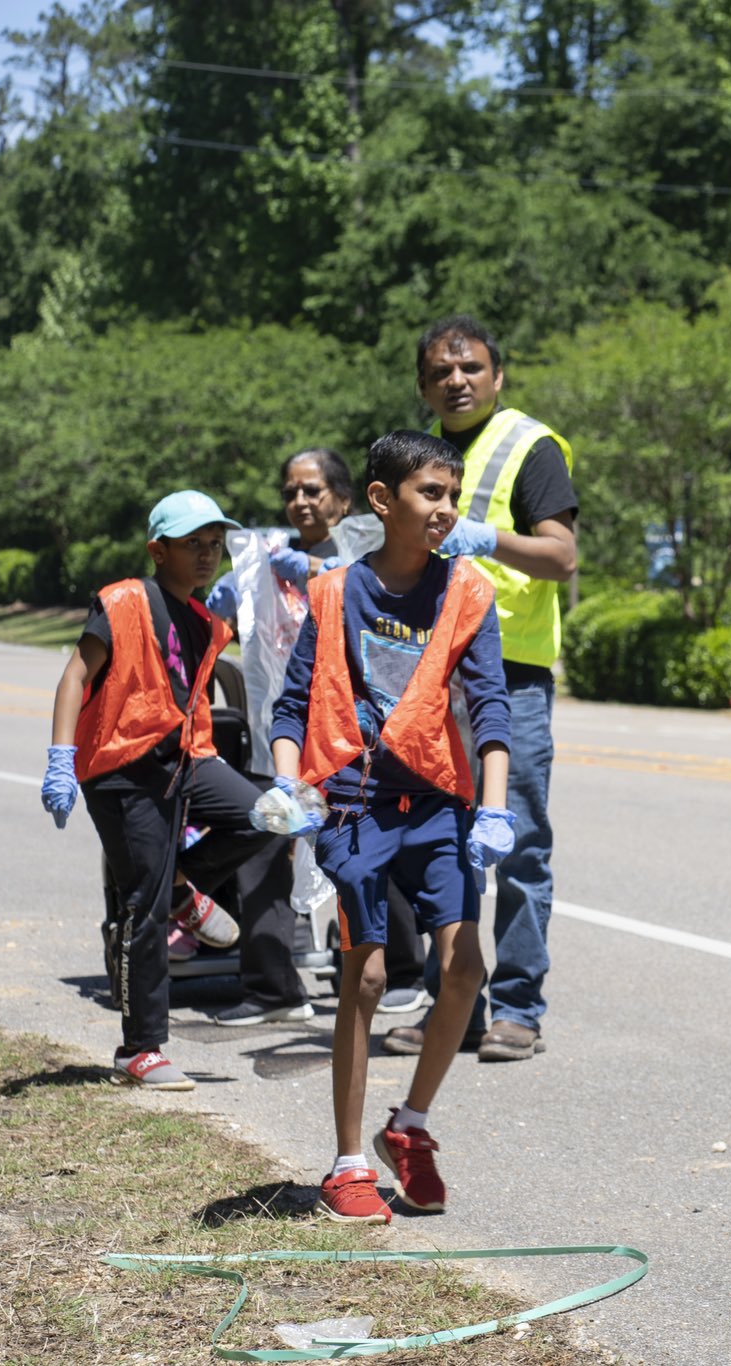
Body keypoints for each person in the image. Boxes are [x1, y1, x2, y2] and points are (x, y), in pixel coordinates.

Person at [263, 431, 515, 1223]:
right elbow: (291, 703)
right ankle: (347, 1165)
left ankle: (409, 1126)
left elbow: (491, 706)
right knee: (367, 977)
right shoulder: (336, 592)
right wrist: (287, 781)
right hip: (354, 804)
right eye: (430, 494)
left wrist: (495, 808)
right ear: (382, 499)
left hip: (437, 805)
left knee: (465, 968)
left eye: (453, 496)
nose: (446, 510)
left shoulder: (467, 592)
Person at [383, 314, 576, 1065]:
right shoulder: (418, 455)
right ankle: (455, 1006)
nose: (456, 380)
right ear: (422, 385)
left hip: (512, 676)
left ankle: (519, 1009)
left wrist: (486, 538)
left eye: (470, 368)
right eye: (441, 371)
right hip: (432, 678)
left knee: (517, 842)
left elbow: (561, 557)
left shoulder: (530, 446)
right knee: (441, 846)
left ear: (498, 375)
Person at [39, 491, 281, 1090]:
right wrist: (61, 757)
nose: (207, 554)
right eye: (192, 543)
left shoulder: (205, 622)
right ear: (158, 550)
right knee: (140, 903)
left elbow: (188, 701)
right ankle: (140, 1049)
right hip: (121, 768)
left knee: (268, 816)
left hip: (184, 758)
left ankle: (179, 889)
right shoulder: (123, 601)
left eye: (214, 544)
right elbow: (75, 676)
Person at [202, 448, 360, 1027]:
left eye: (313, 490)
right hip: (282, 732)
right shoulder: (263, 560)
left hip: (348, 734)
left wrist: (313, 571)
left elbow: (368, 595)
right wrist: (229, 597)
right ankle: (272, 989)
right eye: (291, 491)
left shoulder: (363, 552)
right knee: (265, 842)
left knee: (357, 854)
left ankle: (382, 977)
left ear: (343, 499)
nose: (300, 501)